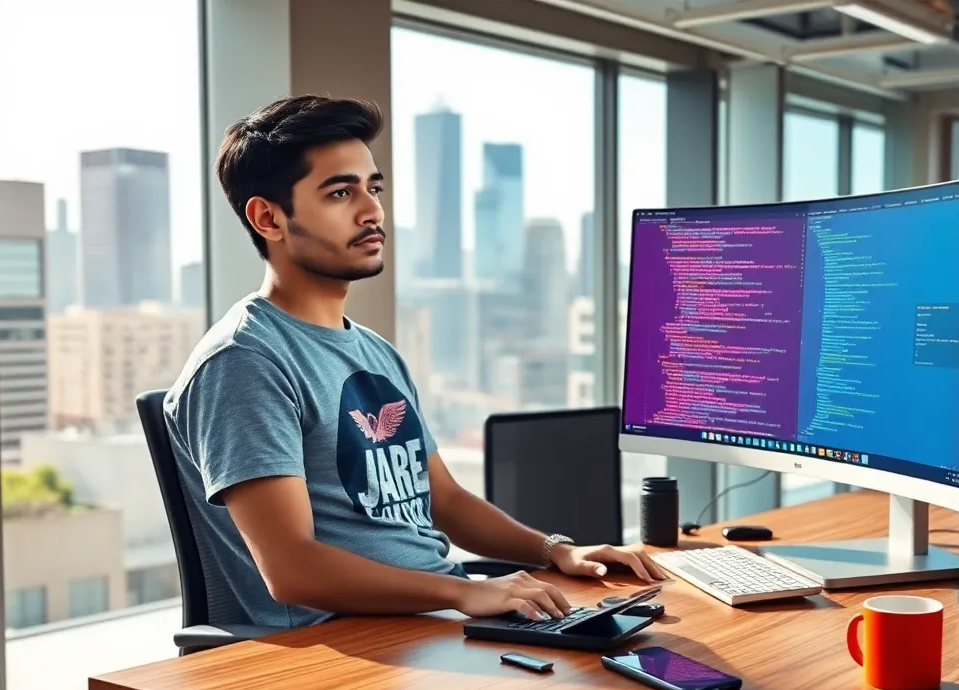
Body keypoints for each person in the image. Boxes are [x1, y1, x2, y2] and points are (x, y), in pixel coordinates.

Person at [164, 93, 665, 654]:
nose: (371, 210)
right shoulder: (244, 362)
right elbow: (293, 570)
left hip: (429, 621)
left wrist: (556, 551)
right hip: (345, 649)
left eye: (372, 188)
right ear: (268, 218)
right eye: (340, 193)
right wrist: (462, 593)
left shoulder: (375, 351)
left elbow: (444, 499)